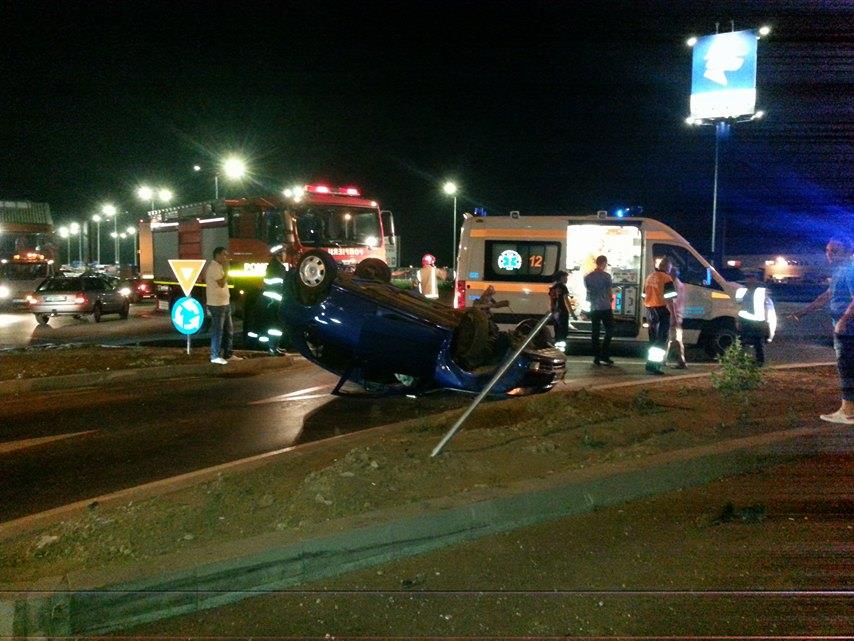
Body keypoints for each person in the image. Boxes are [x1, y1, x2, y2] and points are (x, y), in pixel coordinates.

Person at [790, 236, 854, 424]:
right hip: (844, 325)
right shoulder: (840, 271)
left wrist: (843, 320)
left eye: (834, 251)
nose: (829, 254)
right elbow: (827, 295)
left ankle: (848, 411)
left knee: (846, 367)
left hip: (848, 328)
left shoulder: (850, 270)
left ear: (847, 252)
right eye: (828, 250)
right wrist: (803, 312)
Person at [205, 246, 239, 365]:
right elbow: (221, 283)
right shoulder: (213, 267)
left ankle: (228, 354)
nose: (226, 257)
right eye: (224, 254)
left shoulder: (220, 267)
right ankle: (215, 356)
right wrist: (227, 271)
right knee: (217, 331)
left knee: (228, 330)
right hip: (217, 305)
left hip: (224, 303)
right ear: (217, 255)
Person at [643, 256, 677, 374]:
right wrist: (673, 315)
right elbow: (669, 299)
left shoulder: (650, 277)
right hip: (661, 311)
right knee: (661, 339)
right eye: (670, 268)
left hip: (650, 311)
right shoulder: (666, 278)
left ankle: (649, 364)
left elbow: (644, 296)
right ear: (667, 267)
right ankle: (653, 365)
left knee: (653, 339)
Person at [584, 255, 614, 366]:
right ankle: (605, 355)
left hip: (594, 307)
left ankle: (596, 356)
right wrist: (611, 299)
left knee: (595, 332)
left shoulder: (588, 277)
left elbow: (588, 291)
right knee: (609, 330)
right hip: (605, 306)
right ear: (604, 263)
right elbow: (609, 291)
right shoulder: (607, 276)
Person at [737, 274, 772, 366]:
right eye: (748, 279)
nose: (749, 281)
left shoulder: (760, 292)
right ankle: (742, 360)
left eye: (751, 279)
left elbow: (765, 307)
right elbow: (741, 306)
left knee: (757, 341)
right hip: (746, 319)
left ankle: (759, 361)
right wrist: (739, 319)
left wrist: (766, 321)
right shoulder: (744, 292)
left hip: (757, 320)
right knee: (743, 340)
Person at [666, 263, 687, 369]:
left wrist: (673, 317)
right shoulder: (680, 284)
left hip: (673, 314)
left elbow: (673, 303)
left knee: (674, 339)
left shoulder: (674, 285)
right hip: (678, 315)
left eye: (669, 273)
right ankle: (664, 359)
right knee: (671, 339)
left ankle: (681, 361)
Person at [549, 270, 571, 352]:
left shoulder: (553, 287)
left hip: (555, 312)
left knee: (557, 331)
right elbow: (566, 301)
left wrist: (552, 311)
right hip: (563, 311)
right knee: (563, 331)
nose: (566, 279)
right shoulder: (563, 287)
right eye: (565, 277)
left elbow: (552, 301)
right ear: (561, 278)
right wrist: (572, 313)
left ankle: (557, 348)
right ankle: (561, 350)